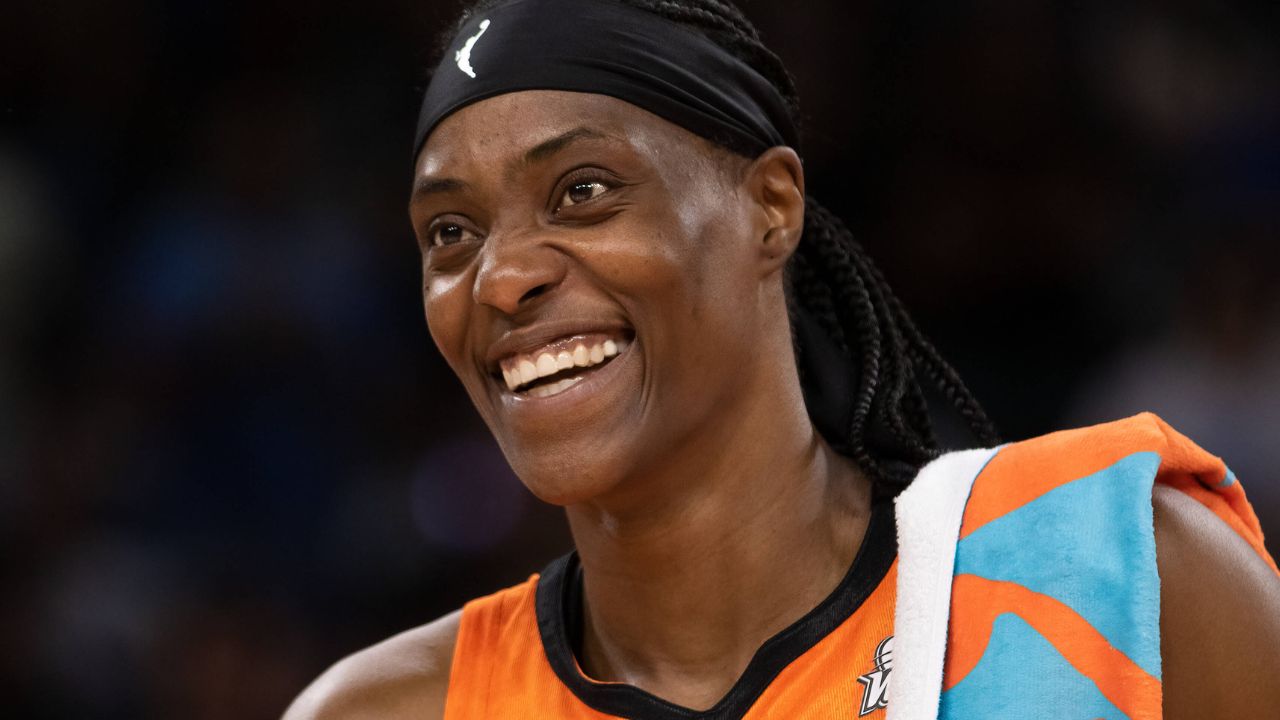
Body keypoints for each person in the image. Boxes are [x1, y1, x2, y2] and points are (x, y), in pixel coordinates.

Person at [284, 1, 1280, 718]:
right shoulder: (383, 710)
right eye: (449, 233)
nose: (499, 277)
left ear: (770, 207)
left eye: (584, 191)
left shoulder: (1123, 575)